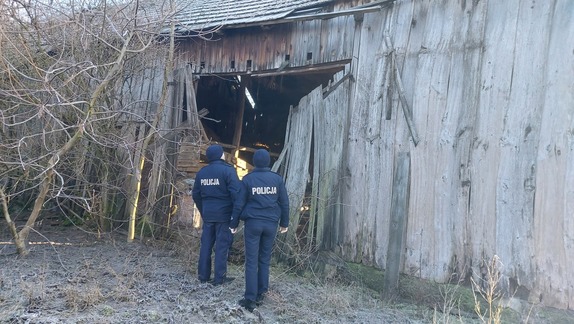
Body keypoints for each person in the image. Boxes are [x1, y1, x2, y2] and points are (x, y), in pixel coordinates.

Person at [230, 149, 289, 312]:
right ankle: (262, 293)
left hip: (253, 224)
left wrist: (233, 223)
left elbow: (239, 203)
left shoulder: (248, 179)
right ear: (268, 162)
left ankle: (250, 298)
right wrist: (285, 223)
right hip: (271, 225)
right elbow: (284, 202)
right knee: (264, 259)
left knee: (251, 261)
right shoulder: (277, 180)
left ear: (255, 162)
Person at [192, 144, 241, 286]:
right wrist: (235, 215)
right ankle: (219, 278)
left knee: (206, 245)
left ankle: (203, 276)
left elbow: (196, 194)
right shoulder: (228, 171)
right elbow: (236, 194)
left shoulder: (202, 173)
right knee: (222, 246)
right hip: (224, 215)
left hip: (208, 214)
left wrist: (203, 210)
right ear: (221, 155)